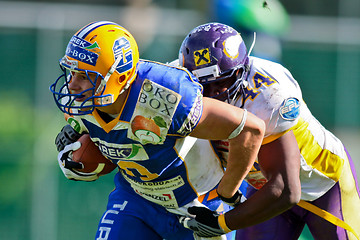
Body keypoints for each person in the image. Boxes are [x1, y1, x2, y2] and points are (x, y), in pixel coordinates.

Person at [49, 21, 265, 240]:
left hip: (195, 205)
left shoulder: (162, 97)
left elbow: (250, 128)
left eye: (85, 76)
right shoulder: (78, 103)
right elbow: (107, 136)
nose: (72, 85)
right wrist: (78, 148)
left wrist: (228, 192)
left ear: (119, 77)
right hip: (136, 198)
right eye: (72, 72)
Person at [176, 22, 360, 240]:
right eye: (202, 85)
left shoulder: (269, 95)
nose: (213, 94)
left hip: (322, 184)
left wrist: (223, 223)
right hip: (265, 184)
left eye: (222, 82)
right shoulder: (178, 81)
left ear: (241, 72)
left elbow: (286, 189)